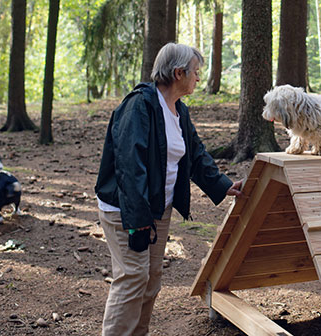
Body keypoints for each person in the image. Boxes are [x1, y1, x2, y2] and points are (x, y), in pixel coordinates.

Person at [95, 43, 244, 335]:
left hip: (157, 210)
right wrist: (138, 220)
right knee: (133, 277)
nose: (198, 78)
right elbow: (129, 166)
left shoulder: (179, 111)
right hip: (127, 210)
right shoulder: (138, 106)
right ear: (178, 73)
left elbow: (196, 155)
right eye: (195, 72)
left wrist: (224, 186)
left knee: (151, 279)